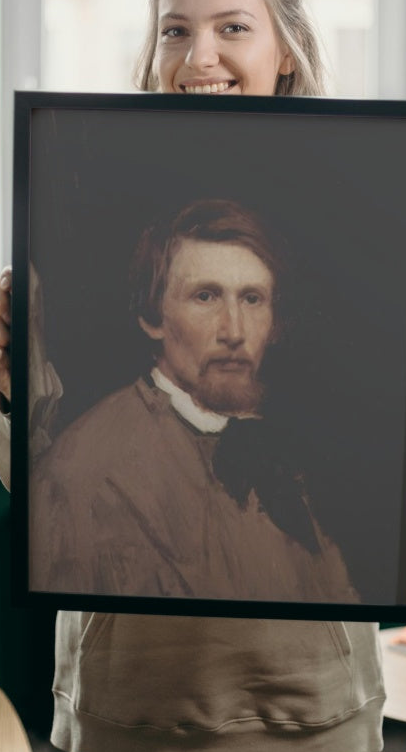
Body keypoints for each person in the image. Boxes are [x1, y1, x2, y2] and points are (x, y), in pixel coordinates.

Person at [0, 0, 406, 752]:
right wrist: (14, 393)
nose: (197, 53)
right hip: (134, 688)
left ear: (285, 47)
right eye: (174, 28)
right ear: (152, 309)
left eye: (232, 27)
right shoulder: (66, 189)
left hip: (299, 687)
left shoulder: (375, 193)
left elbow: (374, 485)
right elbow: (43, 492)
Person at [28, 196, 358, 603]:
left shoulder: (278, 453)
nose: (234, 331)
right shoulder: (84, 470)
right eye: (206, 297)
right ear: (152, 316)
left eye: (252, 299)